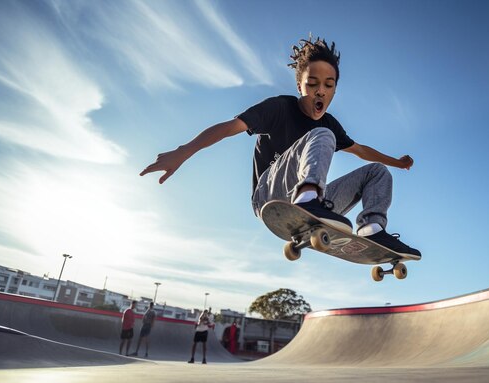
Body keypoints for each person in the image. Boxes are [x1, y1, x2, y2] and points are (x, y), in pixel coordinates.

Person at [140, 35, 421, 259]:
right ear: (300, 85)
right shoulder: (278, 108)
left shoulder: (331, 124)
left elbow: (360, 150)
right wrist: (183, 151)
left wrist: (396, 163)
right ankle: (307, 198)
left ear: (335, 89)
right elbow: (228, 128)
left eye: (328, 85)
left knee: (377, 172)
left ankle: (372, 228)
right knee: (322, 135)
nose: (320, 91)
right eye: (312, 84)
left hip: (313, 204)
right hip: (269, 197)